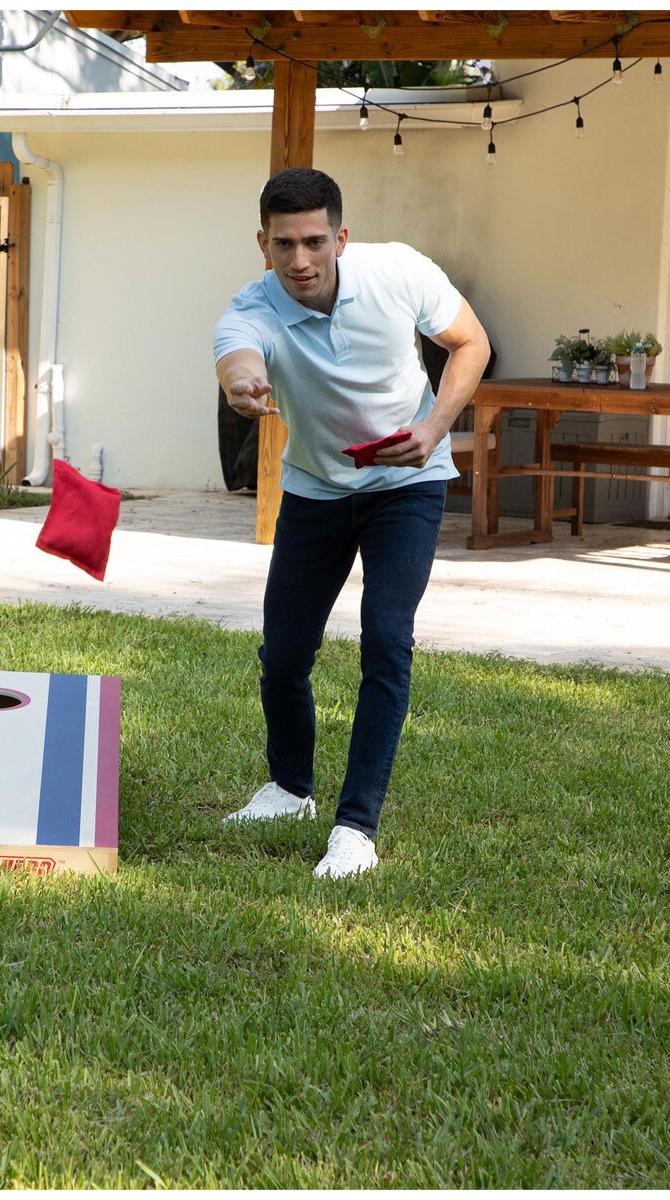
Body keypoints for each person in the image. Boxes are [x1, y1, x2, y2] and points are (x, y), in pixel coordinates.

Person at [213, 167, 491, 879]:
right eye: (283, 245)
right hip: (316, 489)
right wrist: (245, 387)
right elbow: (237, 359)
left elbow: (471, 343)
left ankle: (355, 828)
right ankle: (289, 788)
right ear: (263, 243)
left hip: (408, 482)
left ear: (341, 236)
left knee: (386, 641)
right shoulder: (253, 307)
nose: (299, 261)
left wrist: (433, 429)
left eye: (313, 242)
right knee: (283, 655)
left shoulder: (399, 272)